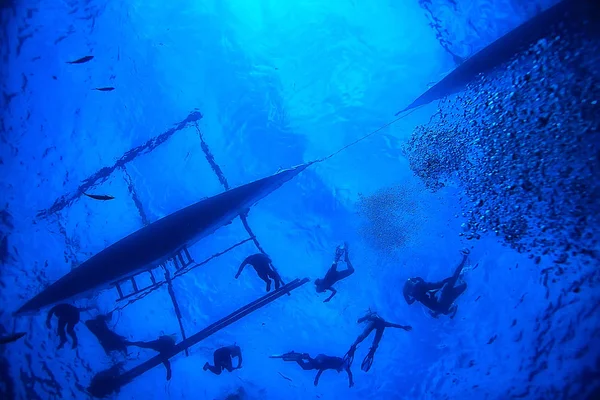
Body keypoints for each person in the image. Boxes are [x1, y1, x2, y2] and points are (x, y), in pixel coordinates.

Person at [403, 249, 469, 319]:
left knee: (443, 309)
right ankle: (464, 262)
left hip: (443, 297)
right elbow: (434, 285)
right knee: (456, 279)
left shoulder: (414, 289)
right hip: (443, 296)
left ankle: (463, 266)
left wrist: (416, 297)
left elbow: (434, 286)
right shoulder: (418, 285)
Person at [345, 311, 412, 372]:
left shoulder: (371, 315)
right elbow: (392, 325)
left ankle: (354, 346)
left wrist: (360, 320)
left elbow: (361, 319)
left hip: (375, 321)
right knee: (375, 342)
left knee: (363, 335)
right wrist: (403, 327)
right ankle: (372, 350)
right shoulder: (375, 316)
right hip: (382, 324)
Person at [270, 351, 354, 387]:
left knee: (305, 367)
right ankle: (306, 356)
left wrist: (351, 382)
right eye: (340, 370)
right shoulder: (337, 364)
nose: (340, 371)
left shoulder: (343, 363)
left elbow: (349, 373)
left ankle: (297, 357)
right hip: (321, 361)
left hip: (321, 359)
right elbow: (322, 369)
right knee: (314, 365)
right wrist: (316, 379)